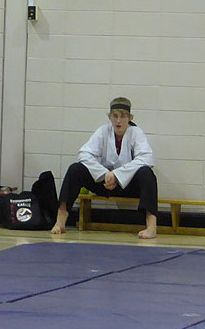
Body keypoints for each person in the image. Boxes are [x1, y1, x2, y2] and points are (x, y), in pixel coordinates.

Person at [50, 97, 159, 239]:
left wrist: (118, 175)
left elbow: (147, 158)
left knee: (147, 173)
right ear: (110, 117)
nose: (118, 121)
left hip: (129, 186)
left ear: (130, 118)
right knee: (75, 169)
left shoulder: (136, 133)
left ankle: (151, 227)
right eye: (115, 116)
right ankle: (60, 221)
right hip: (105, 183)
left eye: (123, 116)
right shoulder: (103, 131)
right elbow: (84, 154)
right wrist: (104, 174)